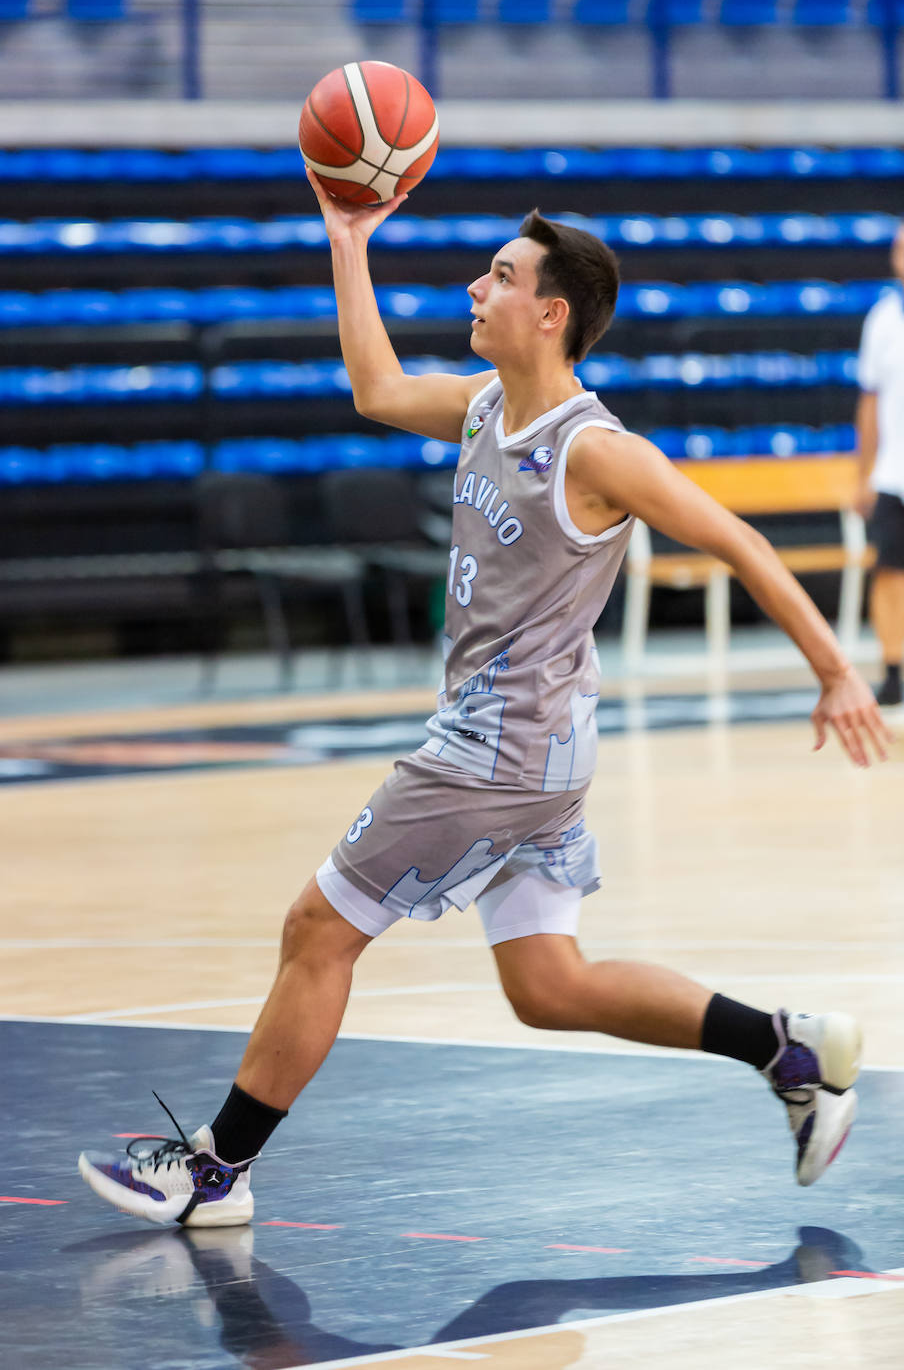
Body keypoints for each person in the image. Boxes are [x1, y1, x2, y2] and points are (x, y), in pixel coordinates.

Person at [78, 174, 892, 1229]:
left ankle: (215, 1170)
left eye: (500, 276)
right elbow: (372, 387)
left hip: (496, 754)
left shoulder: (596, 451)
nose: (474, 287)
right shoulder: (478, 409)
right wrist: (347, 237)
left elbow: (736, 540)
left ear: (550, 315)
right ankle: (786, 1044)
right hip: (538, 750)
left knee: (317, 926)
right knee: (548, 985)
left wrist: (835, 668)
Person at [856, 220, 904, 707]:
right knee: (889, 571)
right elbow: (868, 402)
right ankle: (894, 669)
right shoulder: (883, 318)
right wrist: (862, 474)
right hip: (894, 470)